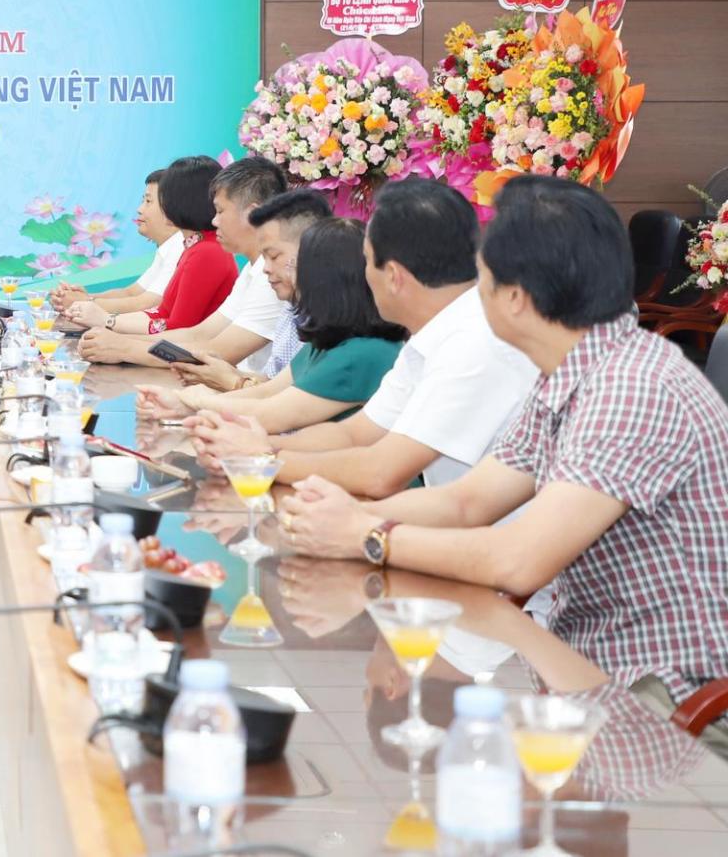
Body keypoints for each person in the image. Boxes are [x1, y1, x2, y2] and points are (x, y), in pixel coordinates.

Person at [280, 177, 728, 703]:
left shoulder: (629, 389)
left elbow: (518, 560)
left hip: (661, 692)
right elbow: (467, 500)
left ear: (515, 297)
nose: (471, 298)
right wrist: (346, 522)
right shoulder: (568, 374)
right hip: (570, 655)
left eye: (482, 281)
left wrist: (366, 535)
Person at [186, 177, 538, 495]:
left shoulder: (471, 342)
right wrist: (259, 446)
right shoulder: (430, 337)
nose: (361, 274)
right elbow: (354, 434)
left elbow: (382, 471)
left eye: (367, 261)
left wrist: (261, 458)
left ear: (395, 275)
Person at [141, 213, 405, 433]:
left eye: (297, 265)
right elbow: (267, 392)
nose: (283, 272)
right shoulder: (330, 340)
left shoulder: (365, 352)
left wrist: (195, 400)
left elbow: (270, 413)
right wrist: (182, 403)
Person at [77, 155, 293, 372]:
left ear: (252, 213)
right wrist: (117, 340)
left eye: (220, 211)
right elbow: (199, 334)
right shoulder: (251, 269)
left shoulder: (270, 277)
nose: (214, 221)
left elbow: (219, 352)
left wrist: (122, 345)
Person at [71, 156, 235, 335]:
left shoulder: (207, 252)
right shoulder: (196, 246)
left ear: (185, 201)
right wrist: (105, 319)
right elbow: (161, 313)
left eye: (166, 197)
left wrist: (107, 321)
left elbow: (177, 328)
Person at [52, 168, 183, 316]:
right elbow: (131, 292)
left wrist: (83, 302)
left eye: (148, 201)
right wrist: (85, 298)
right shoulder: (169, 247)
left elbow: (146, 303)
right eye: (142, 201)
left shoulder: (180, 246)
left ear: (173, 208)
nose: (139, 209)